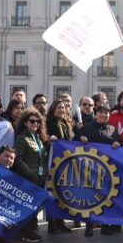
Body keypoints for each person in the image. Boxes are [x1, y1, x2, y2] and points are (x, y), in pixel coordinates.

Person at [78, 104, 122, 237]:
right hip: (89, 169)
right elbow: (74, 142)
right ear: (95, 114)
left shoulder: (113, 129)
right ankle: (89, 225)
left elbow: (119, 144)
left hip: (107, 171)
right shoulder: (86, 128)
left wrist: (118, 144)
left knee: (106, 197)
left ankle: (105, 225)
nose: (103, 115)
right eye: (101, 112)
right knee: (89, 198)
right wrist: (80, 138)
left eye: (106, 113)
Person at [11, 108, 49, 243]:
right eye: (32, 121)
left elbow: (43, 159)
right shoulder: (21, 138)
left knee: (34, 207)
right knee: (27, 207)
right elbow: (18, 159)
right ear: (25, 123)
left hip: (38, 179)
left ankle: (32, 232)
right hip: (26, 179)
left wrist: (43, 174)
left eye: (38, 121)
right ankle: (27, 233)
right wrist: (30, 174)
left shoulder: (39, 138)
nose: (35, 124)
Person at [44, 99, 74, 235]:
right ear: (53, 109)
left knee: (62, 193)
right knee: (52, 191)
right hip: (53, 162)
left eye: (63, 108)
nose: (61, 110)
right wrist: (49, 139)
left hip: (65, 163)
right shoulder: (47, 123)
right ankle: (51, 223)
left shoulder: (67, 123)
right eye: (58, 108)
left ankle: (60, 222)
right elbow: (43, 137)